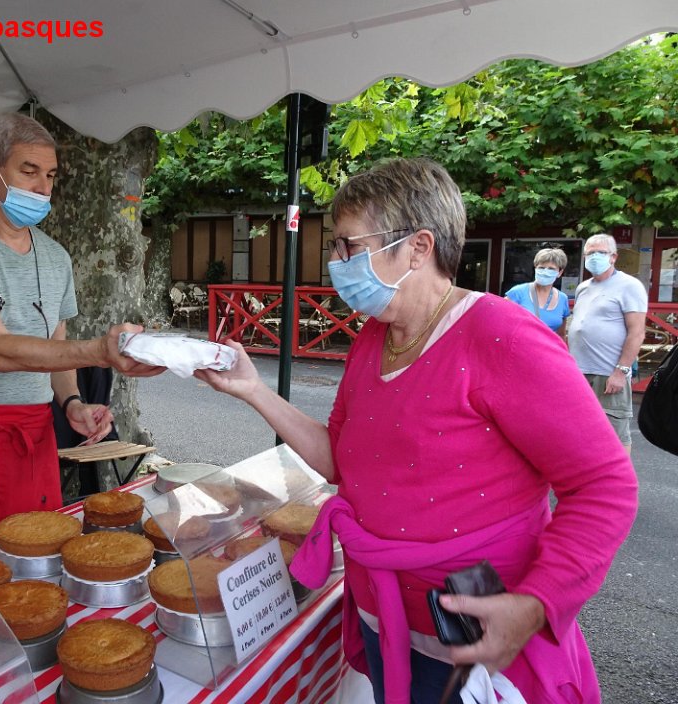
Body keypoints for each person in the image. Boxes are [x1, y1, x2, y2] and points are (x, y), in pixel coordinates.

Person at [195, 158, 637, 703]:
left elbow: (605, 485)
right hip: (384, 619)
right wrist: (253, 389)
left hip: (475, 643)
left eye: (349, 246)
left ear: (418, 247)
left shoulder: (501, 334)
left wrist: (536, 602)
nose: (335, 262)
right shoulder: (372, 338)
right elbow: (339, 459)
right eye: (335, 247)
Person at [0, 113, 162, 567]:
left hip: (32, 436)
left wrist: (73, 403)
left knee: (35, 569)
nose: (42, 188)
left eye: (50, 175)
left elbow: (56, 347)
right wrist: (100, 351)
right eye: (29, 171)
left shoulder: (56, 257)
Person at [567, 233, 648, 455]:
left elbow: (637, 332)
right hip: (580, 372)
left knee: (615, 434)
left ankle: (620, 477)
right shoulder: (583, 287)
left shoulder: (629, 286)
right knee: (582, 429)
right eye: (590, 253)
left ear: (613, 257)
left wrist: (621, 372)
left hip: (608, 372)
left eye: (601, 252)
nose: (594, 257)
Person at [504, 248, 571, 337]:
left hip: (548, 346)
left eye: (551, 269)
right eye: (541, 267)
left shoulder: (562, 298)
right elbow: (501, 322)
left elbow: (561, 335)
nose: (545, 272)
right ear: (535, 268)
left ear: (560, 272)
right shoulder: (517, 293)